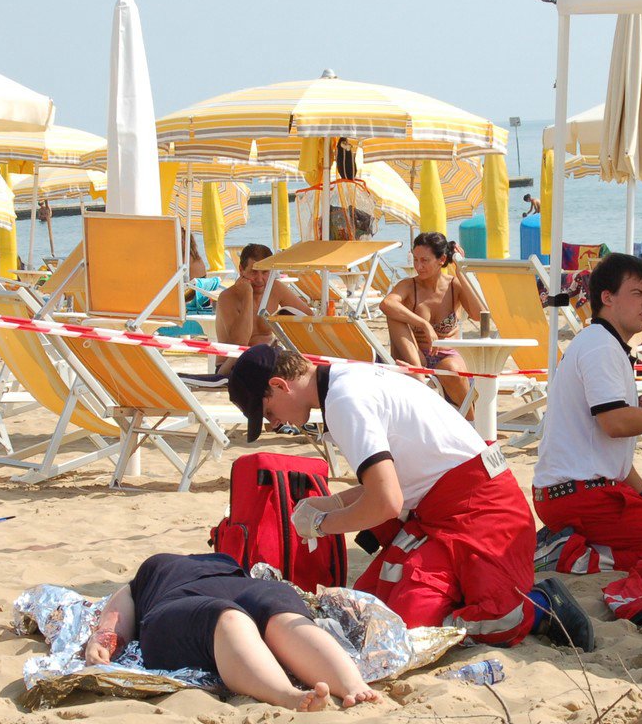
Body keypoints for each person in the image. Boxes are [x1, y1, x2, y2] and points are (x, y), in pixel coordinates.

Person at [226, 344, 597, 651]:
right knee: (372, 607)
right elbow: (397, 479)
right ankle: (464, 592)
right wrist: (331, 504)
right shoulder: (346, 378)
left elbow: (385, 501)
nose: (278, 424)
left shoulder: (343, 401)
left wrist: (323, 524)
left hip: (483, 510)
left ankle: (542, 606)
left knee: (435, 624)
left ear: (279, 384)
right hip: (447, 504)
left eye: (269, 412)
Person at [530, 252, 642, 576]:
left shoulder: (603, 343)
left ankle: (581, 552)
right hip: (579, 495)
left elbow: (609, 451)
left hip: (574, 492)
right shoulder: (601, 346)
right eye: (637, 293)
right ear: (607, 297)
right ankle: (563, 555)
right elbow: (615, 423)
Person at [83, 551, 379, 711]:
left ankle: (346, 685)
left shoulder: (157, 569)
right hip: (200, 594)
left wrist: (107, 634)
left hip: (237, 586)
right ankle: (323, 689)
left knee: (271, 615)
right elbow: (123, 602)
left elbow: (118, 606)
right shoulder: (152, 574)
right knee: (245, 617)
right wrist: (106, 636)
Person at [380, 233, 487, 408]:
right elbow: (386, 304)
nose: (418, 266)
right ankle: (418, 375)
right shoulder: (408, 286)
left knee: (451, 368)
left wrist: (462, 273)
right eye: (415, 260)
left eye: (424, 260)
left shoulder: (454, 285)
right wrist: (424, 324)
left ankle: (471, 422)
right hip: (415, 356)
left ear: (442, 259)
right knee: (393, 313)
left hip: (447, 355)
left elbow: (479, 314)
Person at [212, 243, 314, 373]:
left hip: (268, 361)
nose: (259, 279)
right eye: (254, 272)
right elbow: (240, 342)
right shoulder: (227, 297)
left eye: (265, 272)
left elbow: (307, 317)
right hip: (233, 364)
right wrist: (247, 295)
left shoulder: (275, 288)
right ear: (241, 270)